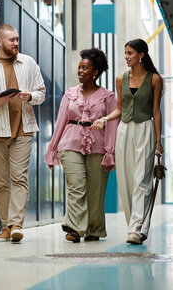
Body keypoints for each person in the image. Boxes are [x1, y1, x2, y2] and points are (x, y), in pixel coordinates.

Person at [0, 24, 46, 243]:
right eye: (11, 40)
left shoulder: (28, 63)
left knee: (19, 178)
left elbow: (41, 93)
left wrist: (29, 96)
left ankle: (15, 225)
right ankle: (5, 227)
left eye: (17, 39)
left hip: (24, 129)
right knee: (1, 182)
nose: (16, 43)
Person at [91, 39, 163, 245]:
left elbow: (156, 111)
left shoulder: (155, 79)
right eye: (125, 53)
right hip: (124, 130)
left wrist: (158, 140)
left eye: (130, 53)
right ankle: (136, 226)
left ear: (141, 54)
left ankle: (136, 228)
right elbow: (120, 109)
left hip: (145, 129)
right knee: (126, 180)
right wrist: (105, 118)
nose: (126, 57)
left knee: (141, 179)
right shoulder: (120, 79)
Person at [45, 48, 118, 242]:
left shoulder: (108, 96)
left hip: (98, 145)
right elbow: (61, 121)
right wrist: (52, 150)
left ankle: (94, 229)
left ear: (95, 72)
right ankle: (75, 229)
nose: (80, 71)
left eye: (84, 68)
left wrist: (110, 152)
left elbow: (112, 127)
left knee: (96, 189)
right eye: (79, 67)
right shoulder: (70, 94)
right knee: (76, 186)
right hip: (70, 143)